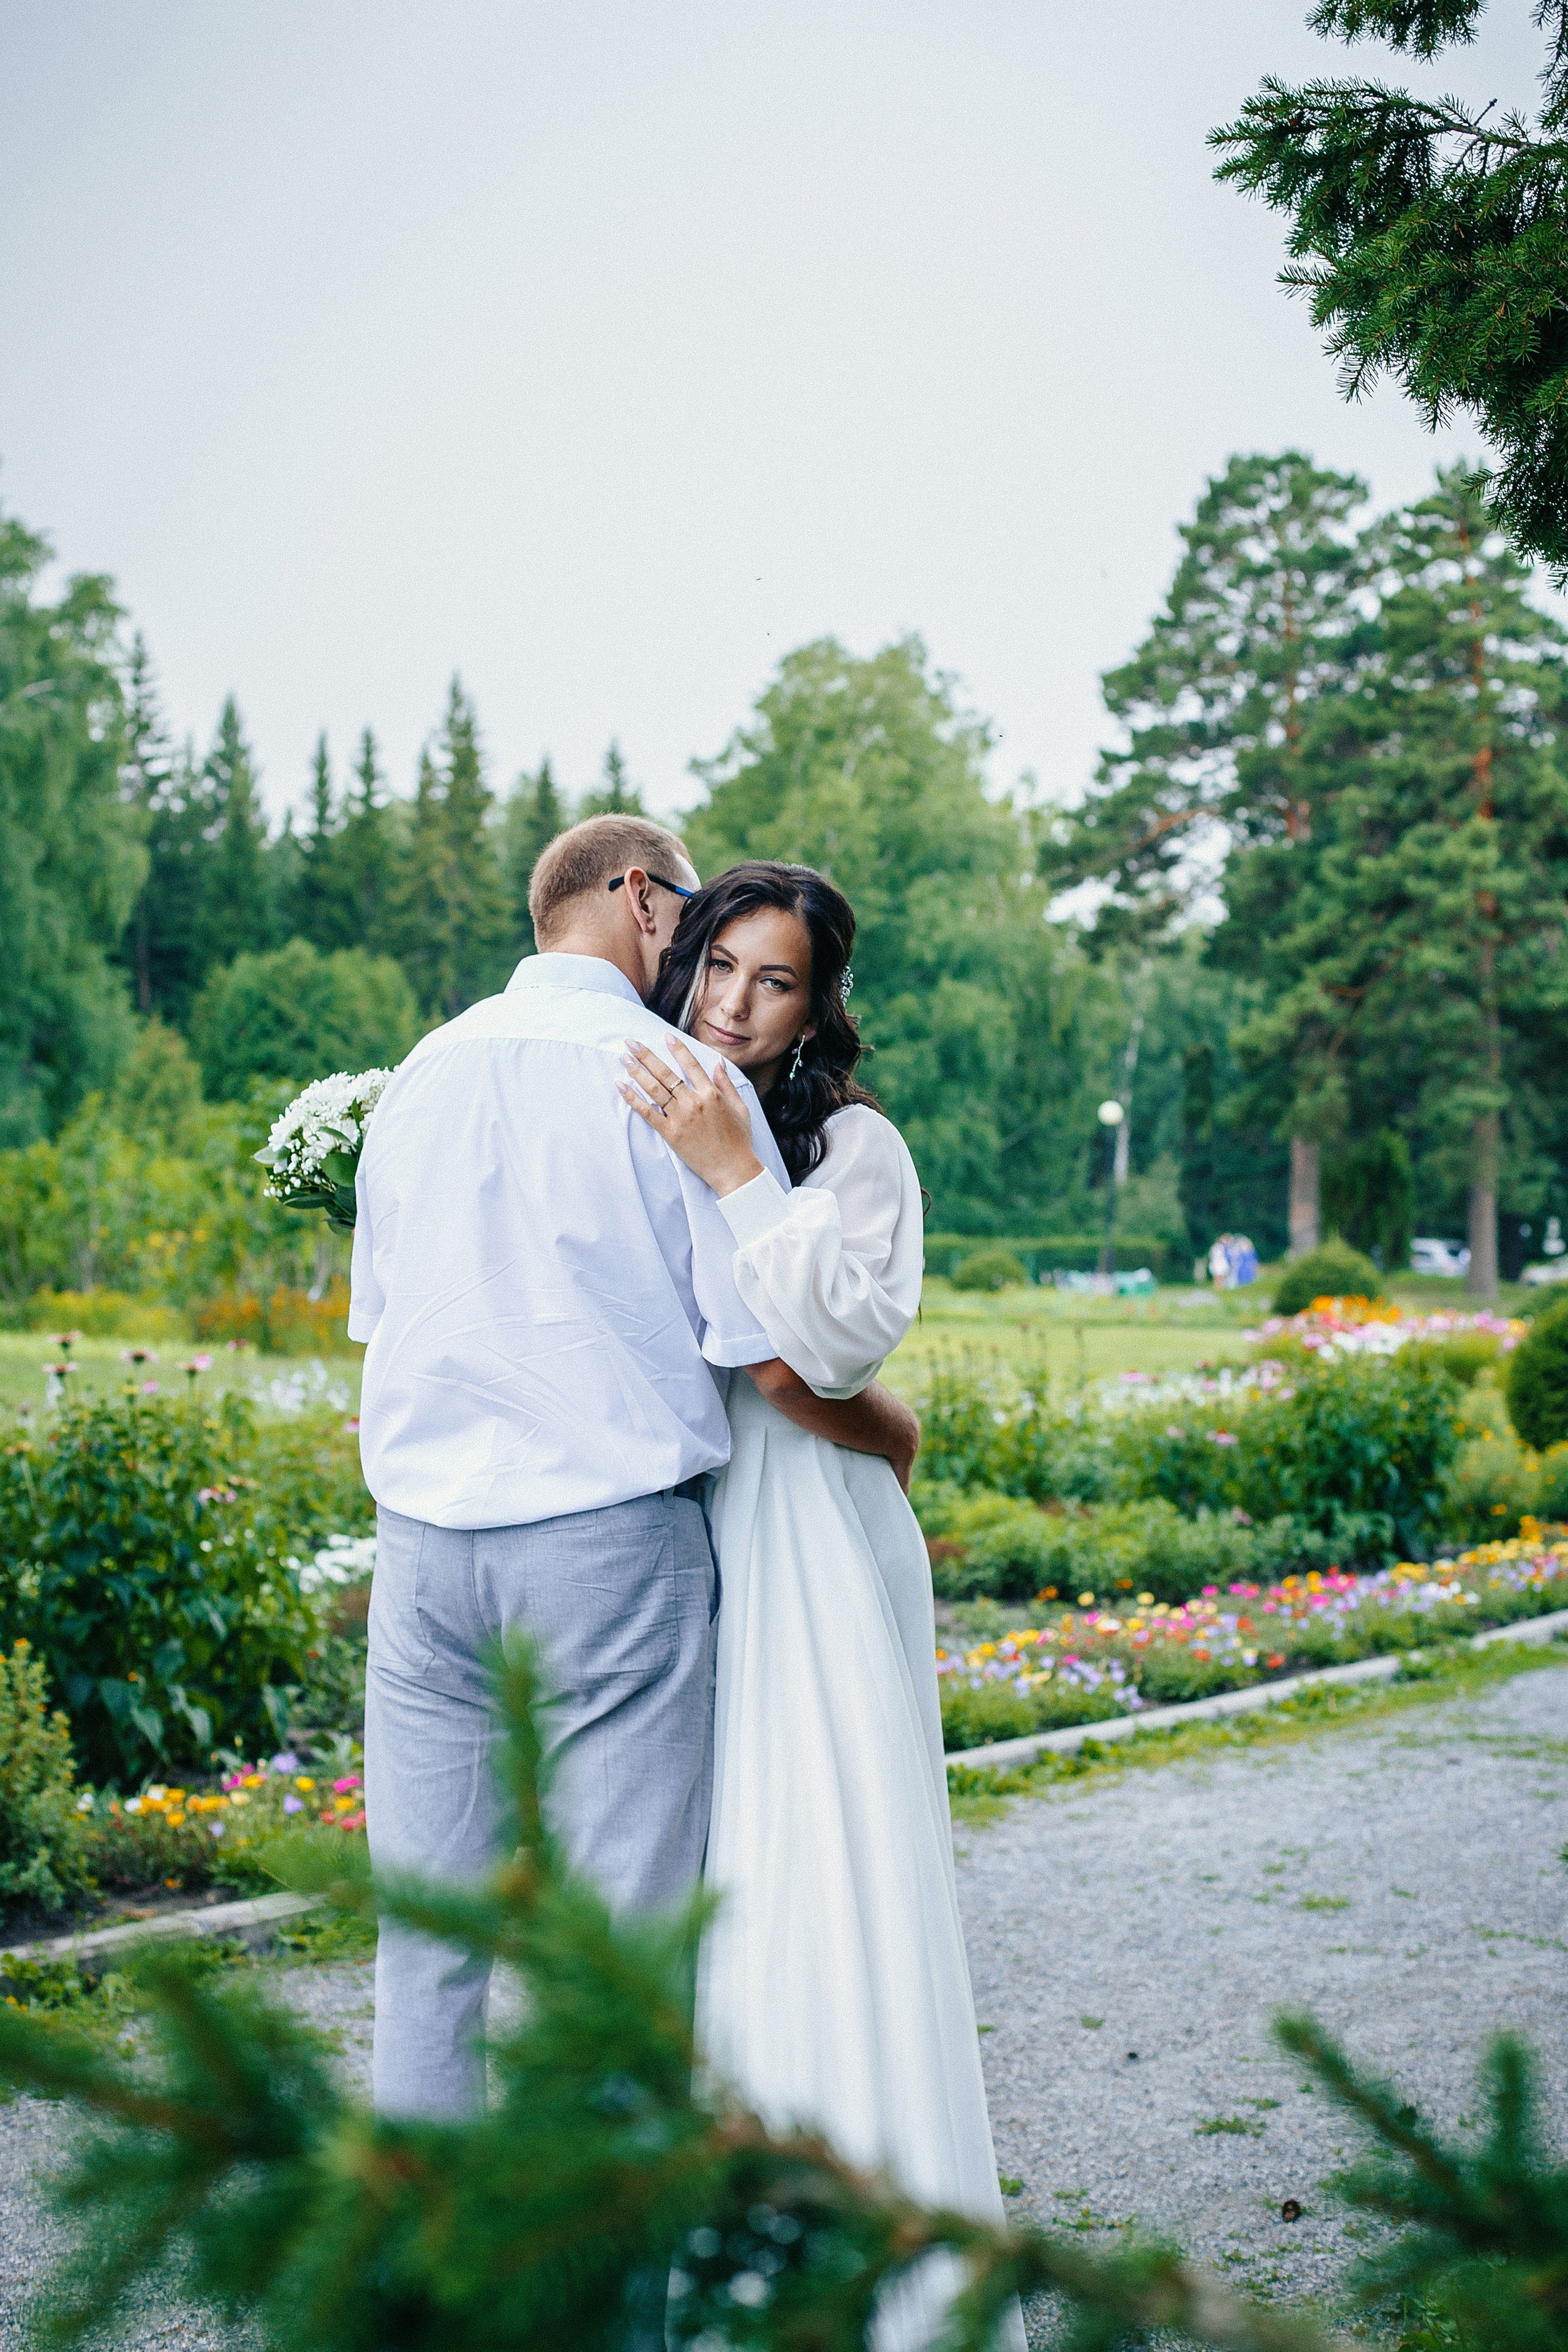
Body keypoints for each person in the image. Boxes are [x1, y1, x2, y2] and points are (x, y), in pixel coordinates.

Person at [348, 816, 916, 2119]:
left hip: (423, 1551)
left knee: (427, 1945)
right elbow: (772, 1359)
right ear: (638, 900)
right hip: (603, 1549)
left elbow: (382, 1322)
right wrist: (896, 1438)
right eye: (690, 922)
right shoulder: (672, 1079)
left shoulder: (423, 1073)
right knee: (617, 1959)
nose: (706, 970)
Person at [619, 861, 1023, 2351]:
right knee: (715, 1878)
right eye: (719, 964)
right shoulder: (632, 1093)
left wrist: (738, 1170)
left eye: (772, 981)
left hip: (810, 1537)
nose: (732, 1002)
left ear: (814, 1006)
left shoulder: (852, 1144)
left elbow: (825, 1356)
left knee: (827, 1859)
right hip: (690, 1522)